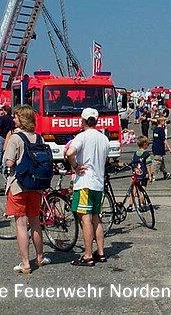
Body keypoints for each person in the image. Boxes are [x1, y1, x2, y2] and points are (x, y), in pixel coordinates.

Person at [3, 105, 51, 273]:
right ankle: (40, 257)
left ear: (21, 119)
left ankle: (25, 263)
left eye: (16, 117)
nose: (13, 119)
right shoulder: (39, 138)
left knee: (21, 225)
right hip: (36, 185)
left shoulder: (16, 138)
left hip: (19, 185)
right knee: (36, 222)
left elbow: (9, 162)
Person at [65, 107, 109, 266]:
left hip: (85, 182)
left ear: (82, 120)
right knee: (97, 218)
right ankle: (101, 252)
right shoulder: (103, 138)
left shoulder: (81, 137)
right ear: (96, 121)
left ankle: (88, 255)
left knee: (85, 220)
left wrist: (75, 165)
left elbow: (69, 152)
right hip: (98, 182)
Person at [0, 105, 15, 174]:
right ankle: (6, 167)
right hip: (10, 136)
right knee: (8, 152)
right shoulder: (12, 118)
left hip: (3, 136)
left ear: (5, 111)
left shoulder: (2, 118)